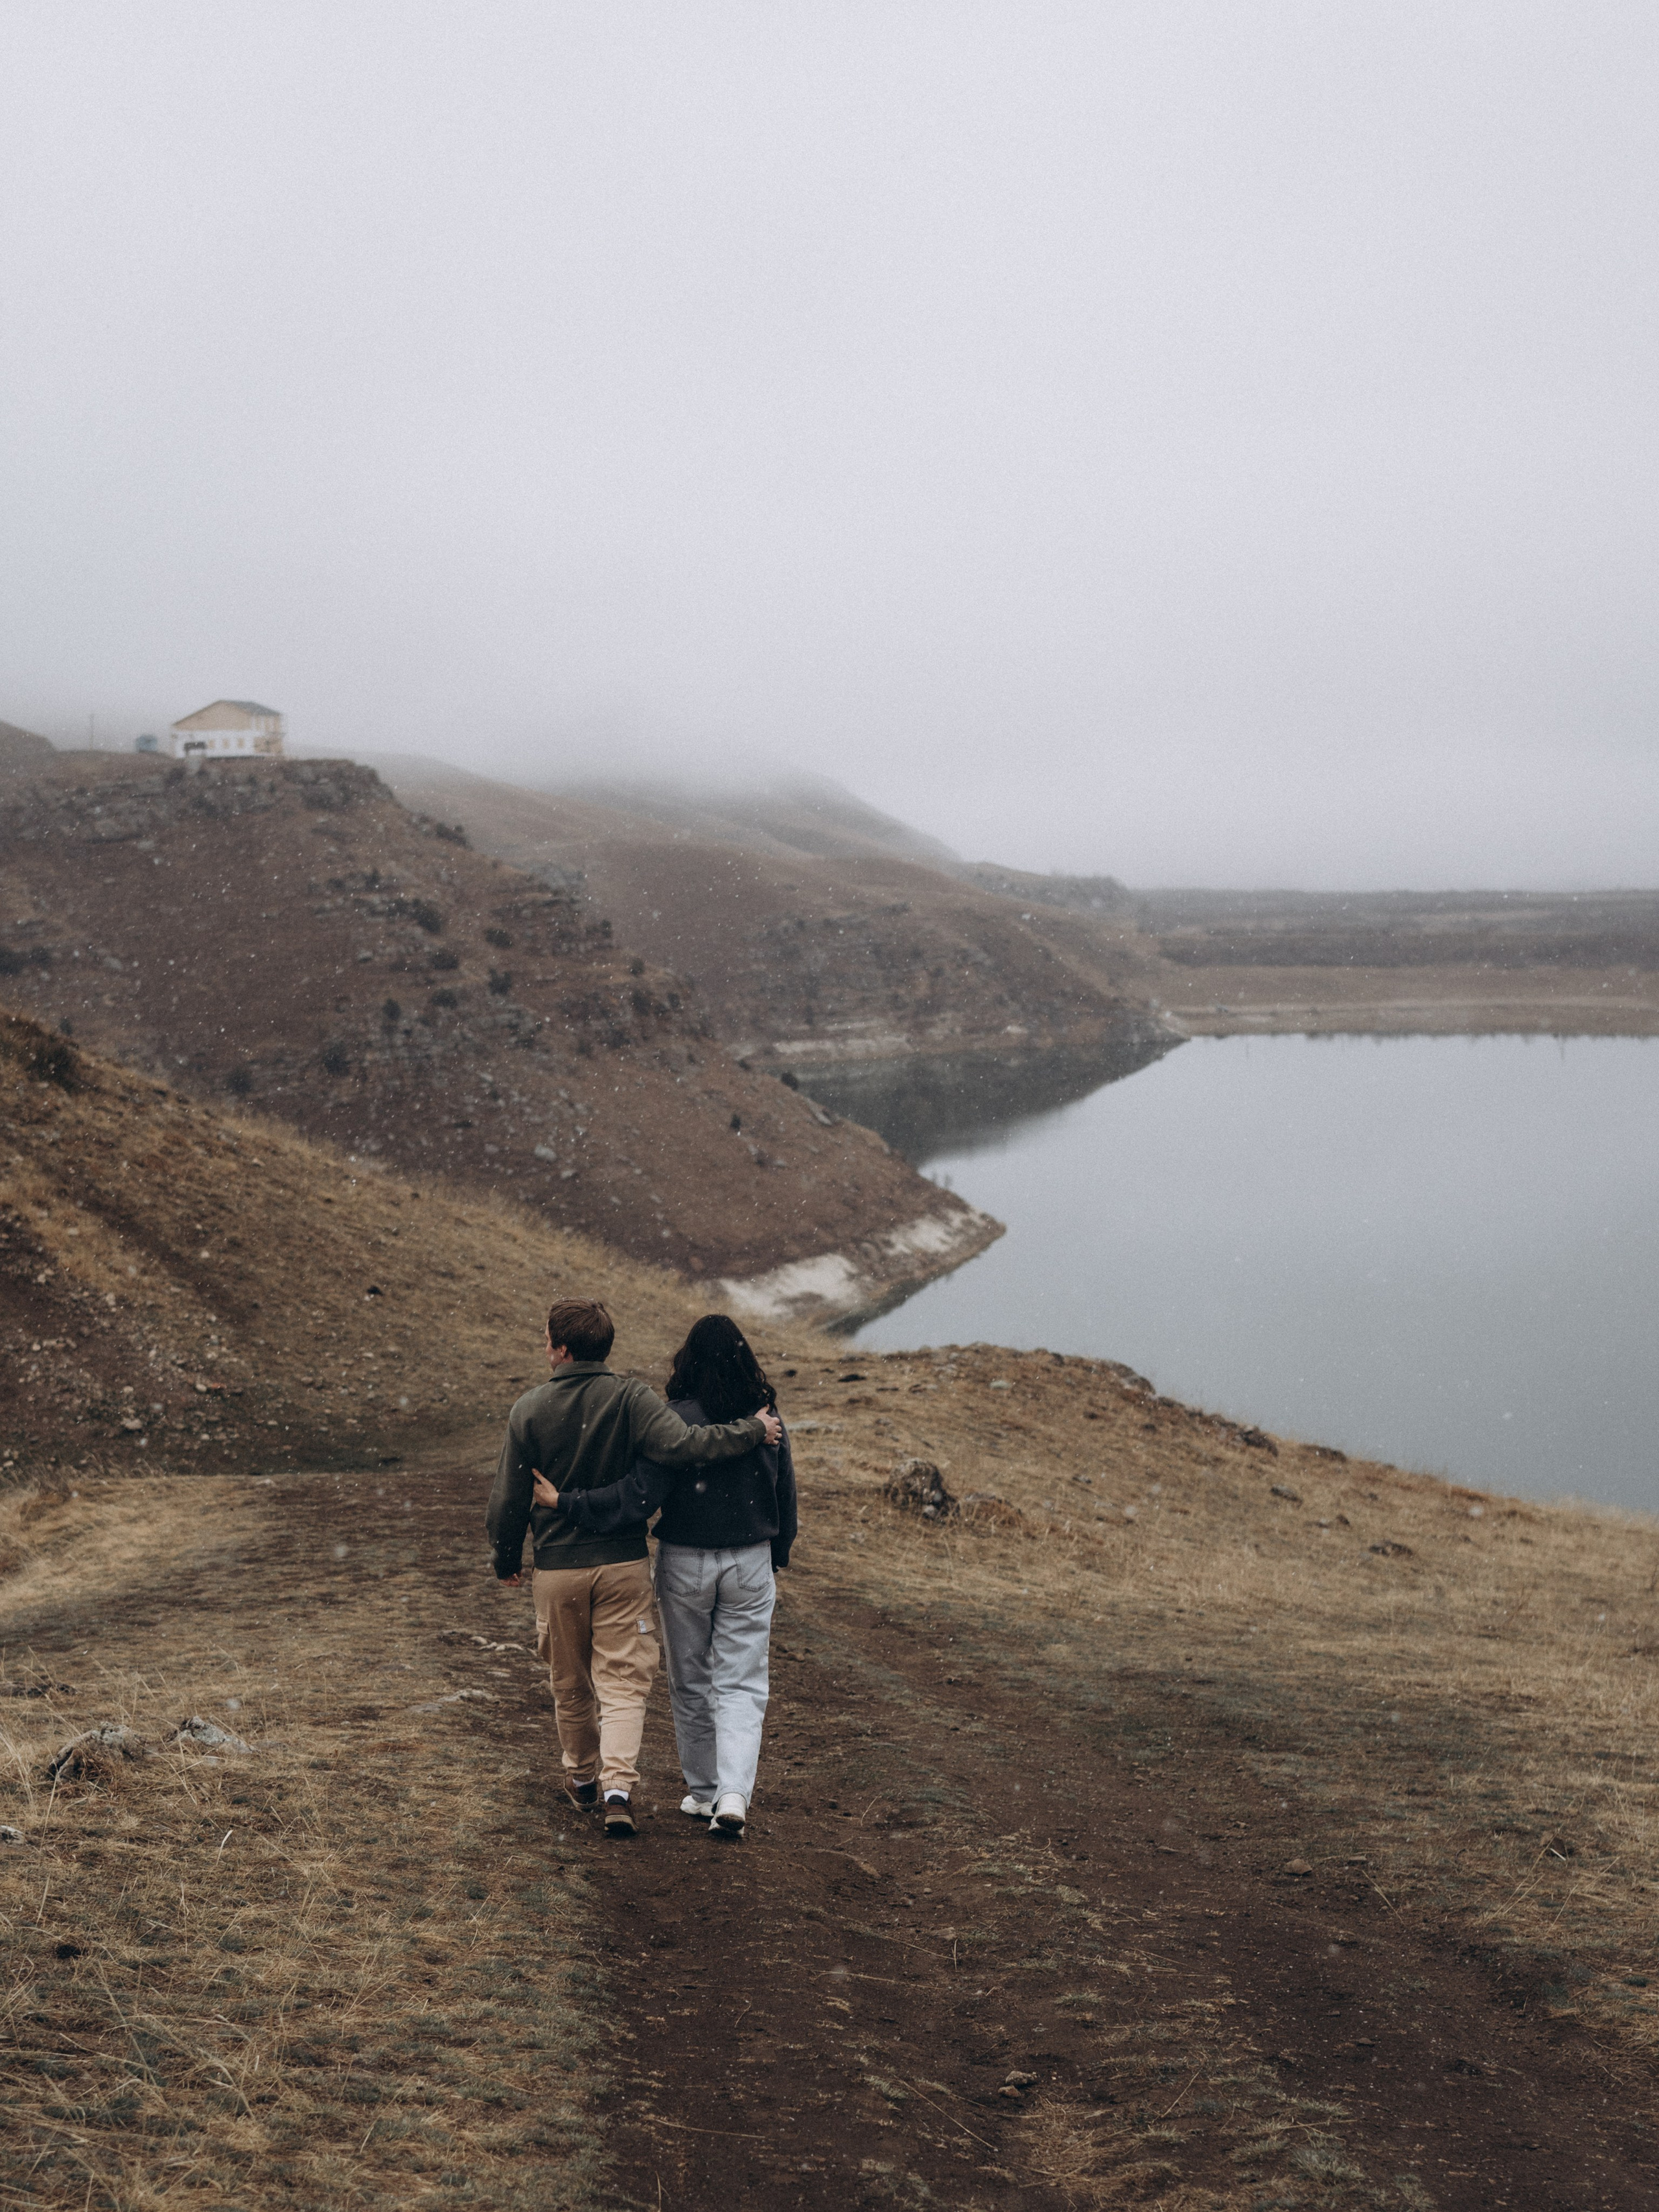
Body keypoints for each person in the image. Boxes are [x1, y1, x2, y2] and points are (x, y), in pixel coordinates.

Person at [485, 1298, 781, 1839]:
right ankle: (656, 1791)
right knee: (656, 1683)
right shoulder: (647, 1401)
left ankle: (608, 1781)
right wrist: (755, 1438)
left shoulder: (531, 1408)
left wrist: (513, 1551)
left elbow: (517, 1498)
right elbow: (730, 1467)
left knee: (590, 1680)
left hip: (596, 1564)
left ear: (562, 1348)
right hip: (667, 1562)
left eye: (547, 1338)